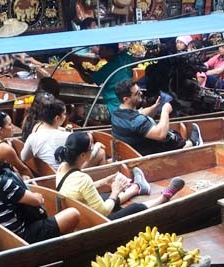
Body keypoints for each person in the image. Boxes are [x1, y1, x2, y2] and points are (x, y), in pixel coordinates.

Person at [0, 139, 80, 243]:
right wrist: (36, 194)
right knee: (73, 214)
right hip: (21, 237)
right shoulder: (1, 182)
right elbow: (36, 201)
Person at [54, 132, 184, 220]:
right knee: (134, 208)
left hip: (79, 210)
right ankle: (163, 197)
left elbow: (78, 189)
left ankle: (135, 189)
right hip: (91, 221)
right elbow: (104, 211)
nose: (93, 148)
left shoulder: (63, 167)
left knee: (104, 196)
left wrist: (105, 181)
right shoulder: (82, 179)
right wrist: (115, 191)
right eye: (91, 147)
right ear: (82, 155)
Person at [111, 79, 202, 155]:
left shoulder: (117, 114)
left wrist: (155, 106)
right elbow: (160, 134)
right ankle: (192, 143)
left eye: (140, 91)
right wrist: (165, 111)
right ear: (126, 99)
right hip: (148, 154)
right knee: (168, 138)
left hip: (132, 152)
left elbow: (140, 113)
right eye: (137, 93)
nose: (141, 94)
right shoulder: (136, 121)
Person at [21, 98, 71, 171]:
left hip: (44, 176)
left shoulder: (33, 137)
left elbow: (24, 157)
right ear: (57, 118)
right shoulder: (67, 137)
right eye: (64, 114)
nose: (65, 116)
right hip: (62, 178)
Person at [82, 43, 134, 113]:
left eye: (102, 49)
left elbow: (89, 80)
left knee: (80, 110)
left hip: (113, 107)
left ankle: (105, 123)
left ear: (110, 50)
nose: (99, 51)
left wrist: (77, 66)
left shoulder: (108, 67)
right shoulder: (125, 58)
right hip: (125, 104)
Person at [0, 111, 30, 176]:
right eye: (9, 124)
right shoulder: (4, 148)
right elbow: (23, 169)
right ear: (0, 130)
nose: (13, 127)